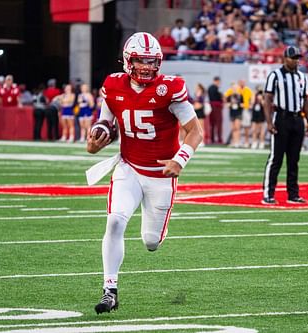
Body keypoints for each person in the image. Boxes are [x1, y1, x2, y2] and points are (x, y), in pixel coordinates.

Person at [86, 32, 202, 314]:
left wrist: (180, 160)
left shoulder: (169, 88)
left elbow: (195, 132)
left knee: (151, 242)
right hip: (129, 168)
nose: (148, 67)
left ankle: (153, 236)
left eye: (152, 61)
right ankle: (109, 290)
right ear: (128, 61)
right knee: (114, 221)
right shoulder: (113, 85)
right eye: (141, 61)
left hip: (161, 174)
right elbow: (106, 121)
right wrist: (96, 138)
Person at [261, 46, 308, 205]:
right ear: (285, 58)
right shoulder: (275, 75)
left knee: (294, 159)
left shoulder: (301, 77)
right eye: (293, 58)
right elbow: (268, 99)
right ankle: (268, 194)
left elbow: (305, 100)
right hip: (281, 117)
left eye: (298, 58)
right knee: (276, 158)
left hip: (297, 119)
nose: (296, 61)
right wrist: (269, 122)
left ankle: (293, 194)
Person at [208, 76, 223, 144]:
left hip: (211, 107)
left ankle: (212, 139)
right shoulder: (216, 88)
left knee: (212, 123)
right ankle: (219, 139)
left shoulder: (210, 88)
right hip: (216, 107)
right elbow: (219, 98)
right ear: (216, 81)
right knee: (218, 123)